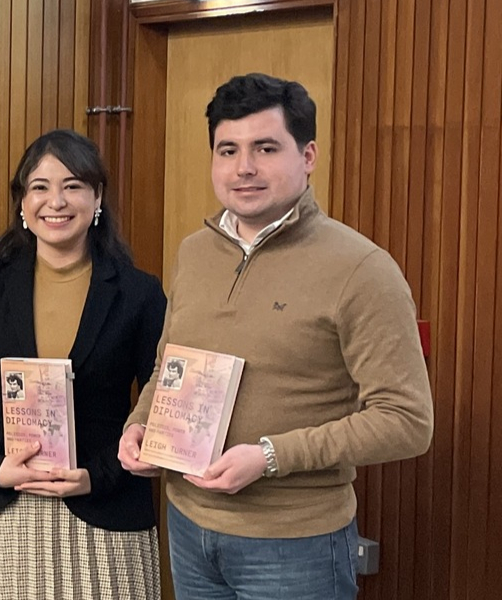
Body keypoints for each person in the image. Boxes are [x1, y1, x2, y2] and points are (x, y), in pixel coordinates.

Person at [117, 72, 434, 600]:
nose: (244, 168)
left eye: (265, 147)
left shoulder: (361, 268)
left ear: (307, 156)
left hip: (295, 543)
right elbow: (166, 367)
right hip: (189, 528)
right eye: (228, 150)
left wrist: (268, 456)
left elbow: (407, 421)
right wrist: (140, 424)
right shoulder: (194, 252)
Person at [0, 129, 166, 599]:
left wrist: (97, 476)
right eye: (40, 187)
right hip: (3, 514)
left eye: (73, 185)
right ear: (23, 203)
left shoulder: (140, 293)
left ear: (97, 196)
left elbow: (159, 408)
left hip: (106, 514)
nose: (56, 201)